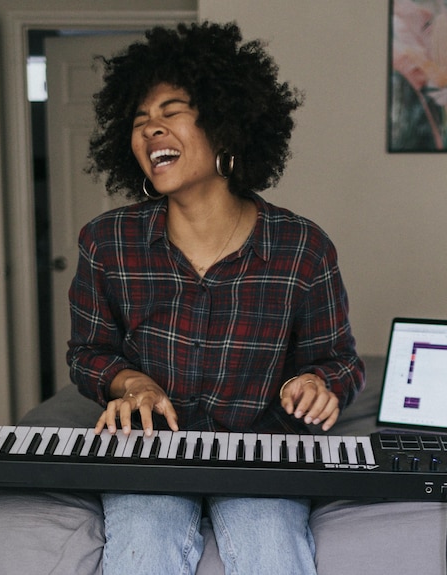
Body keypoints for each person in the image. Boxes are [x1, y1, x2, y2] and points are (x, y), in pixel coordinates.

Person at [67, 21, 364, 575]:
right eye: (139, 121)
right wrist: (133, 383)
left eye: (171, 111)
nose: (150, 129)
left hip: (261, 449)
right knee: (141, 552)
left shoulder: (302, 248)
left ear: (227, 128)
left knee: (273, 551)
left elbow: (340, 360)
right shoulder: (106, 242)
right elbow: (88, 352)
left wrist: (318, 385)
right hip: (148, 449)